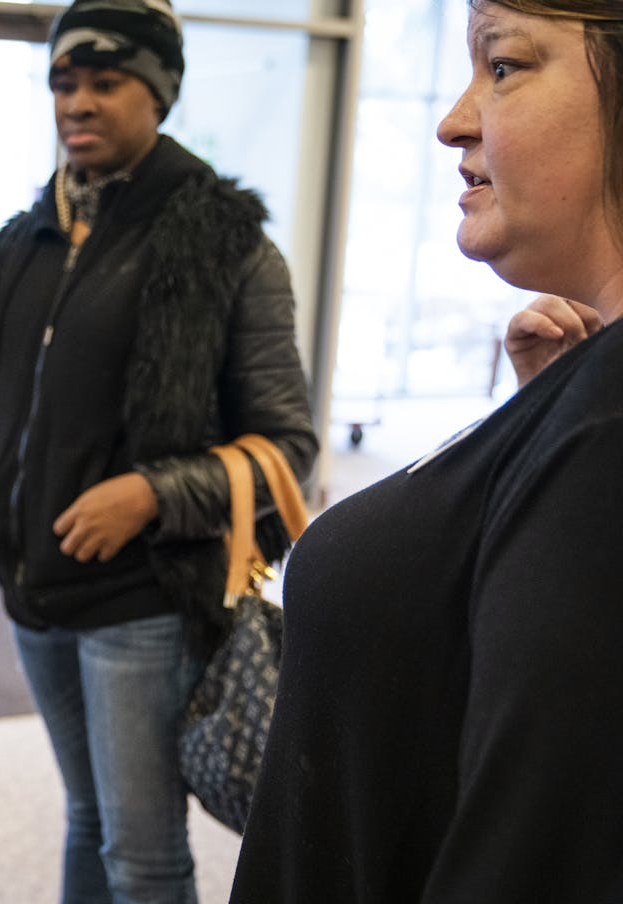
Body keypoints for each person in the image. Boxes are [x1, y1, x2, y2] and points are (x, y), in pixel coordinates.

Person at [0, 1, 317, 901]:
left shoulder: (226, 243)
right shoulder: (21, 246)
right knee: (89, 819)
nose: (79, 102)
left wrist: (150, 493)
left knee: (140, 853)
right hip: (34, 585)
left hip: (145, 599)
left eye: (106, 82)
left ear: (160, 92)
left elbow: (291, 447)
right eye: (65, 82)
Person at [230, 2, 623, 901]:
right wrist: (541, 427)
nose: (454, 118)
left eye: (505, 65)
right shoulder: (586, 402)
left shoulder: (608, 431)